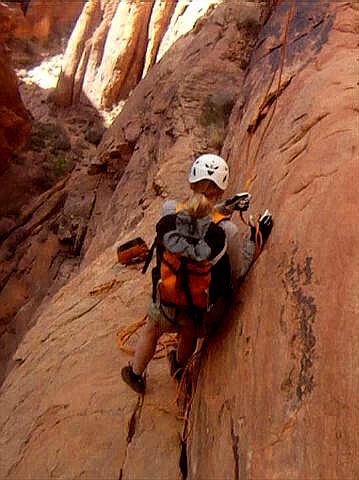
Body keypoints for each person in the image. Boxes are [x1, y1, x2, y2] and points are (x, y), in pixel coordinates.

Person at [121, 154, 272, 394]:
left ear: (191, 182)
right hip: (196, 310)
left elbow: (194, 216)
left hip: (166, 298)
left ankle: (135, 375)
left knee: (151, 330)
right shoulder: (227, 230)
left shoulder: (169, 210)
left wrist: (225, 208)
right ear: (221, 189)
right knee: (188, 335)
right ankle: (179, 367)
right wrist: (256, 238)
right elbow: (238, 272)